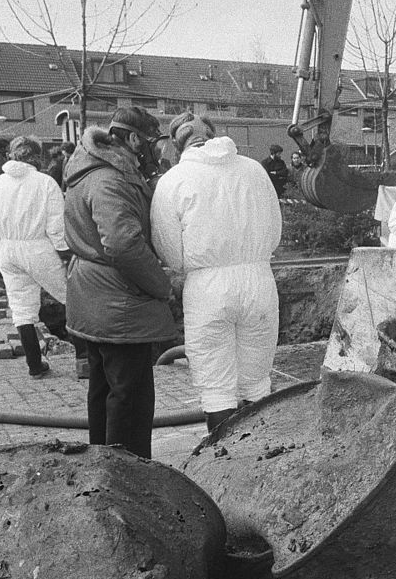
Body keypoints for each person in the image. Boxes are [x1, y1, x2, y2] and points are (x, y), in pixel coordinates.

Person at [152, 112, 282, 433]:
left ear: (176, 142)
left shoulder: (173, 180)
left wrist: (190, 265)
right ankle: (261, 451)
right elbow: (276, 230)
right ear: (213, 134)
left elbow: (168, 248)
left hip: (207, 286)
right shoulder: (254, 170)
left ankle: (222, 459)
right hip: (259, 282)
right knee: (256, 380)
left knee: (216, 384)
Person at [62, 106, 176, 459]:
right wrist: (163, 286)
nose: (154, 152)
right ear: (132, 139)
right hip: (118, 305)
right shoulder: (109, 180)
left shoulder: (95, 171)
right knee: (130, 398)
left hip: (95, 299)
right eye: (152, 142)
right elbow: (123, 244)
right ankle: (130, 474)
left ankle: (102, 466)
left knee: (104, 390)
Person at [0, 136, 69, 378]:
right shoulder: (45, 182)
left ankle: (34, 364)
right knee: (71, 297)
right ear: (36, 156)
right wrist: (64, 252)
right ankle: (85, 357)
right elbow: (56, 224)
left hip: (7, 250)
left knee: (21, 308)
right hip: (38, 247)